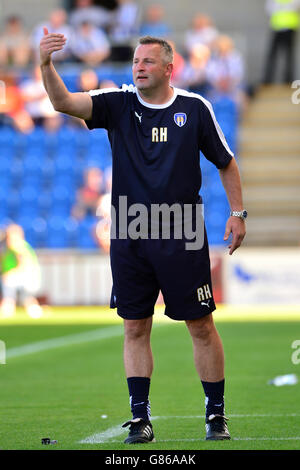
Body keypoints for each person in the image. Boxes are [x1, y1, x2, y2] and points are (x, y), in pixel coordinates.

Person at [40, 30, 247, 443]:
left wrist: (238, 213)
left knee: (201, 325)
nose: (138, 67)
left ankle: (216, 414)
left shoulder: (194, 108)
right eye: (136, 61)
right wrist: (46, 65)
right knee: (135, 326)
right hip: (131, 230)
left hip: (183, 230)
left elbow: (226, 162)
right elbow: (63, 102)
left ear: (169, 68)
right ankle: (139, 418)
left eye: (148, 61)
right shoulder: (116, 103)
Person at [0, 224, 43, 319]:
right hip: (18, 277)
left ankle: (9, 306)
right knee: (24, 297)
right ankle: (9, 306)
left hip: (26, 277)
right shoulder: (6, 248)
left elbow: (24, 265)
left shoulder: (19, 247)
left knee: (21, 294)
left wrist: (10, 273)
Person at [263, 0, 300, 83]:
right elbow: (269, 9)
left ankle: (288, 79)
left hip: (290, 27)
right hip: (277, 27)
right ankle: (268, 79)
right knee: (273, 55)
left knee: (289, 56)